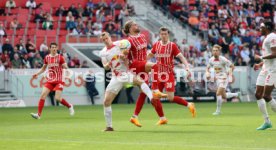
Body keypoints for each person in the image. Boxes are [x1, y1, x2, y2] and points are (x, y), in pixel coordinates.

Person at [99, 32, 166, 131]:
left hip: (125, 72)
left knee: (140, 81)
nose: (105, 40)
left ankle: (152, 97)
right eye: (103, 39)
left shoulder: (119, 44)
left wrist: (124, 55)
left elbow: (127, 52)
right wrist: (107, 66)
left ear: (110, 37)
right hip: (115, 77)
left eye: (106, 38)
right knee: (106, 102)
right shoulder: (103, 52)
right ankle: (109, 127)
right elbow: (105, 65)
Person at [148, 27, 196, 124]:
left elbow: (181, 57)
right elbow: (149, 55)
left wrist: (187, 67)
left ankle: (189, 104)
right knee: (154, 100)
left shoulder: (172, 46)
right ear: (159, 35)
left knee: (170, 98)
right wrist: (140, 62)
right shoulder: (156, 45)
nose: (164, 36)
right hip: (158, 75)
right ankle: (162, 118)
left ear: (168, 35)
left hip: (168, 74)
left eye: (165, 34)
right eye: (162, 34)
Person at [123, 20, 167, 127]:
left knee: (145, 93)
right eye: (134, 25)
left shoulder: (142, 36)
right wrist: (128, 70)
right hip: (135, 64)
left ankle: (159, 118)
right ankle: (156, 89)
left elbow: (145, 51)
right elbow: (125, 57)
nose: (137, 25)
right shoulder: (128, 41)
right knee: (155, 66)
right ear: (129, 29)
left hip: (143, 64)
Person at [30, 42, 74, 119]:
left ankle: (69, 106)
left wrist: (66, 68)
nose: (54, 48)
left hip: (59, 80)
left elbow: (66, 67)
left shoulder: (60, 57)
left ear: (57, 48)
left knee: (57, 98)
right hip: (50, 80)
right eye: (52, 47)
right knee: (43, 95)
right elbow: (44, 68)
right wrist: (37, 74)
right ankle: (38, 115)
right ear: (50, 48)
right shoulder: (47, 57)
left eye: (55, 47)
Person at [254, 21, 276, 130]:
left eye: (261, 27)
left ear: (267, 27)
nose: (259, 29)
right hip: (265, 68)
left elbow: (275, 53)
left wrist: (260, 58)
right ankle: (267, 121)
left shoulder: (272, 37)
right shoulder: (266, 38)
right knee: (258, 94)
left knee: (266, 96)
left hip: (273, 70)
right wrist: (260, 64)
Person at [206, 44, 234, 115]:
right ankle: (236, 94)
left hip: (224, 78)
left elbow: (232, 66)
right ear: (212, 52)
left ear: (219, 52)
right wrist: (207, 73)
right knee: (224, 96)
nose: (215, 52)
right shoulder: (211, 60)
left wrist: (228, 73)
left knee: (218, 93)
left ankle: (218, 111)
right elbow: (208, 68)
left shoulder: (223, 59)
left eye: (216, 51)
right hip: (218, 79)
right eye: (214, 50)